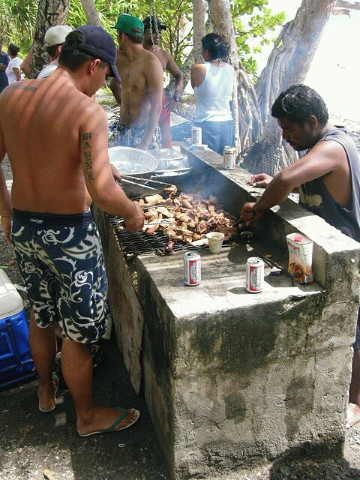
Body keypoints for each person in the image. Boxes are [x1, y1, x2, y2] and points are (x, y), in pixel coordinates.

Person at [0, 25, 144, 437]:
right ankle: (87, 417)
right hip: (70, 239)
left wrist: (7, 214)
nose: (103, 86)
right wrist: (132, 212)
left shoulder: (10, 95)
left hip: (26, 227)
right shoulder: (86, 112)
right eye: (105, 76)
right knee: (79, 335)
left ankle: (46, 392)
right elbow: (101, 191)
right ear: (93, 66)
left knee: (41, 317)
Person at [239, 84, 360, 428]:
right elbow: (294, 179)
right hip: (323, 247)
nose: (285, 137)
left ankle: (355, 402)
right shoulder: (317, 145)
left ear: (310, 121)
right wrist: (273, 182)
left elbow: (291, 176)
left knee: (358, 331)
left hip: (349, 248)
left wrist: (260, 205)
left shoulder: (335, 147)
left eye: (289, 130)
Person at [109, 13, 163, 150]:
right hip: (123, 127)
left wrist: (145, 143)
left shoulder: (151, 63)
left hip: (144, 131)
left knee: (145, 171)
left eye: (117, 33)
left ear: (122, 36)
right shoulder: (116, 58)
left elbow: (157, 106)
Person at [142, 16, 183, 148]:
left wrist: (175, 98)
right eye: (153, 31)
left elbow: (179, 76)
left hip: (162, 105)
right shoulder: (136, 54)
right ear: (144, 32)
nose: (158, 35)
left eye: (159, 31)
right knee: (144, 147)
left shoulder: (164, 55)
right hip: (142, 108)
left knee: (166, 145)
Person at [191, 33, 235, 155]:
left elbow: (194, 86)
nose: (200, 52)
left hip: (206, 125)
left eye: (202, 49)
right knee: (224, 166)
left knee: (205, 167)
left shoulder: (198, 68)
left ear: (207, 52)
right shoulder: (230, 69)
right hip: (227, 124)